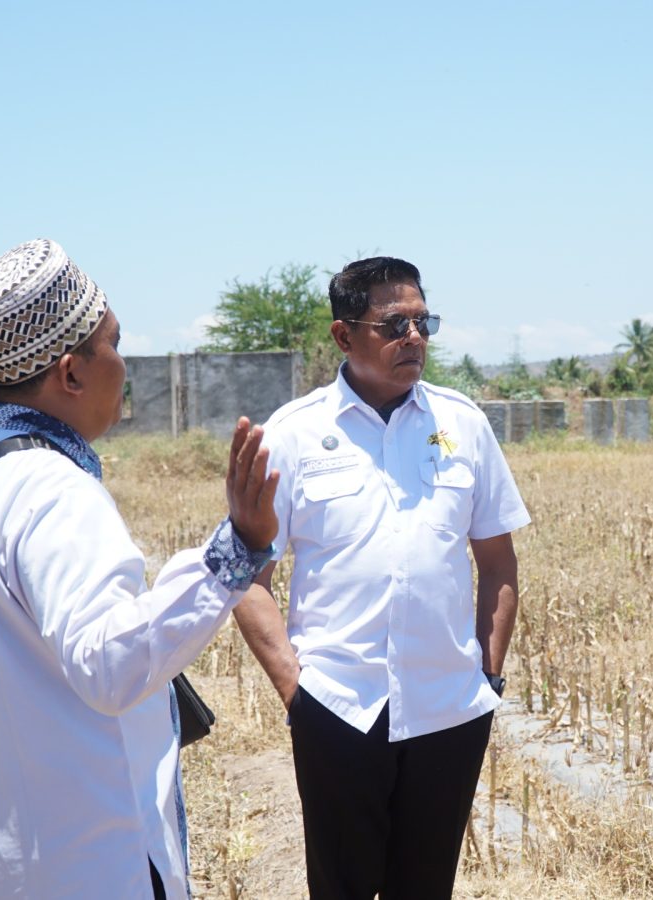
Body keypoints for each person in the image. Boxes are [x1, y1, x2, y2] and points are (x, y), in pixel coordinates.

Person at [0, 238, 279, 899]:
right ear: (71, 373)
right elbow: (110, 665)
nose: (124, 366)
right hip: (86, 861)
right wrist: (236, 550)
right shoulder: (53, 490)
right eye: (115, 344)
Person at [232, 256, 530, 899]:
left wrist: (488, 674)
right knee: (340, 887)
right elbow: (249, 577)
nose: (414, 338)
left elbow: (498, 561)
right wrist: (297, 692)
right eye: (395, 325)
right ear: (344, 335)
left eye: (424, 323)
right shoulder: (294, 434)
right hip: (338, 706)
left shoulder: (463, 425)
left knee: (424, 888)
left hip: (449, 710)